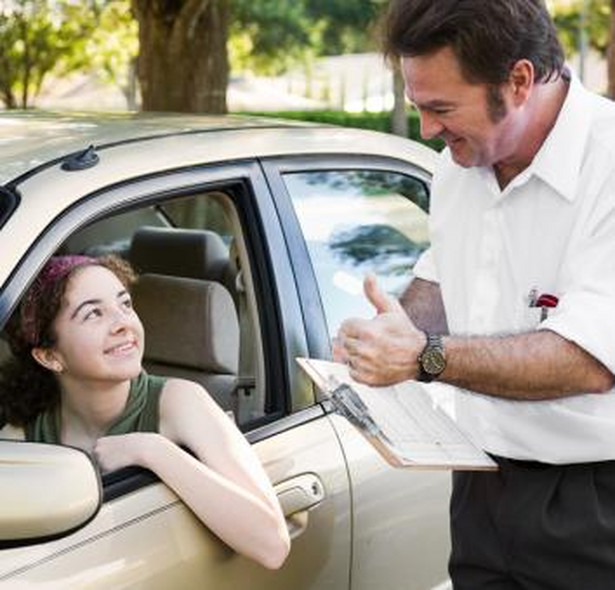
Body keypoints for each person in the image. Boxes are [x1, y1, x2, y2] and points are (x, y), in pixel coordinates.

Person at [334, 1, 615, 588]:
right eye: (418, 107)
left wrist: (423, 356)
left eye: (440, 108)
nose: (428, 131)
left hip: (595, 502)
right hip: (481, 487)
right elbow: (441, 275)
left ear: (519, 80)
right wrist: (398, 326)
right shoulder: (455, 169)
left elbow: (588, 360)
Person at [0, 254, 290, 570]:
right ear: (50, 356)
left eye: (125, 305)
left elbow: (271, 544)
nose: (123, 322)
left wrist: (152, 450)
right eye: (94, 313)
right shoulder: (23, 435)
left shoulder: (180, 401)